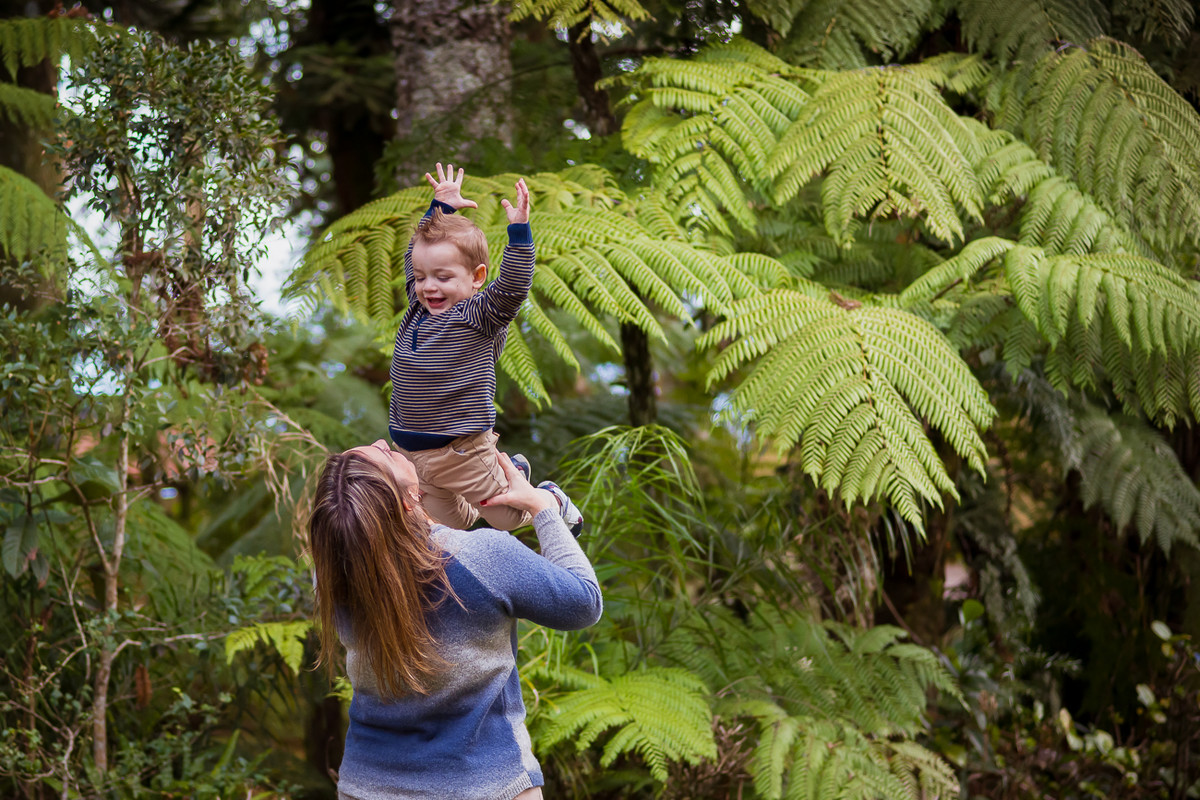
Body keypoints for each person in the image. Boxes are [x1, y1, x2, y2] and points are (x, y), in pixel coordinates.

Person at [309, 439, 602, 800]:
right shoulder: (484, 558)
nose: (383, 441)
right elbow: (585, 601)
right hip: (487, 786)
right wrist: (543, 507)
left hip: (367, 787)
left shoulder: (331, 574)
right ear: (406, 502)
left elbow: (397, 537)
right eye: (383, 454)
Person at [388, 162, 582, 534]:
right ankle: (508, 475)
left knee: (506, 518)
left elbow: (512, 287)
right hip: (414, 456)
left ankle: (549, 497)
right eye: (424, 276)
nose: (428, 286)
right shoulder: (418, 307)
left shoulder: (477, 316)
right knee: (446, 527)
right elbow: (418, 254)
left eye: (443, 278)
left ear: (477, 277)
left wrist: (519, 232)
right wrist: (440, 209)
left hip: (462, 452)